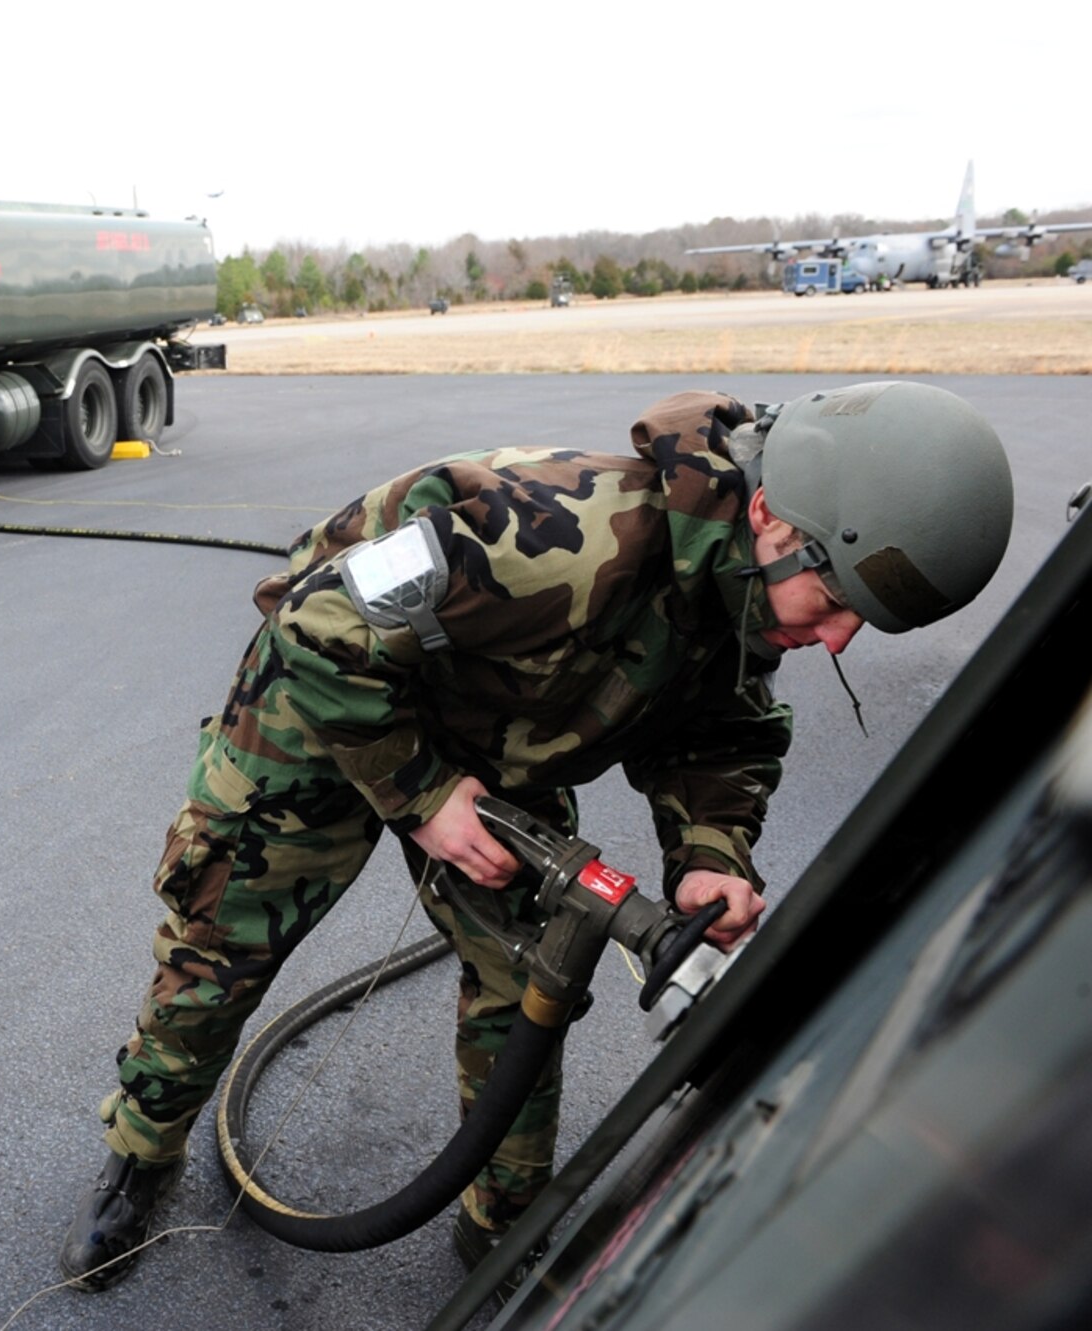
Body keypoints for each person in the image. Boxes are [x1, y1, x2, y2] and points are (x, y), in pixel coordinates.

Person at [57, 382, 1016, 1292]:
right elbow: (317, 624)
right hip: (329, 710)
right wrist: (422, 794)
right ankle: (141, 1155)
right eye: (840, 601)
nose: (840, 639)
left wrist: (710, 856)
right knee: (223, 945)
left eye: (862, 622)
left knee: (532, 976)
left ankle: (502, 1215)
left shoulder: (751, 588)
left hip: (494, 744)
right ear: (771, 517)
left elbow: (726, 732)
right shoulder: (554, 531)